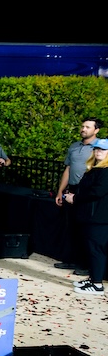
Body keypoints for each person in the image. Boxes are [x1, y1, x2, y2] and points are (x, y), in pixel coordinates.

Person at [55, 117, 103, 273]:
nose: (83, 129)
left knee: (86, 229)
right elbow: (68, 169)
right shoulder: (74, 147)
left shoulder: (100, 148)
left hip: (88, 192)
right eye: (83, 126)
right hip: (73, 189)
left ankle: (85, 265)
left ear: (96, 130)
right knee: (71, 227)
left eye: (88, 127)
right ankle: (71, 260)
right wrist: (60, 191)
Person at [63, 138, 108, 295]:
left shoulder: (106, 171)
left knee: (96, 250)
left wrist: (75, 198)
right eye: (96, 149)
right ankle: (93, 278)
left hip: (99, 219)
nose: (98, 152)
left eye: (102, 150)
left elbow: (97, 192)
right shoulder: (95, 169)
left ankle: (97, 284)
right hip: (90, 217)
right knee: (91, 248)